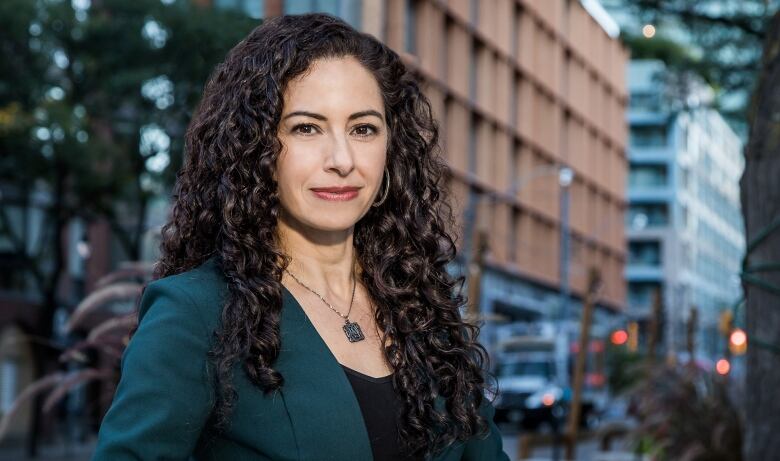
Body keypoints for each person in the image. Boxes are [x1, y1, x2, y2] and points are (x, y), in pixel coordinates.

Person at [92, 12, 510, 461]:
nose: (342, 159)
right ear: (256, 149)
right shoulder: (194, 313)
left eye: (363, 128)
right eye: (306, 128)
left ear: (392, 148)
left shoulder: (423, 307)